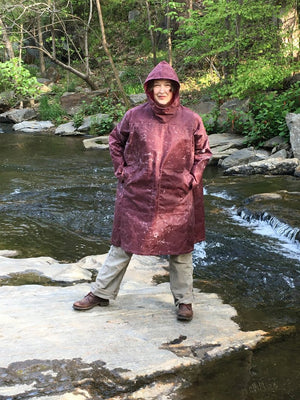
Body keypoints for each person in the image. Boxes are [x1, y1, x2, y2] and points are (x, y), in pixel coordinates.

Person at [73, 61, 212, 321]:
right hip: (137, 192)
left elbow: (203, 153)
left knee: (181, 250)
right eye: (156, 86)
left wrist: (192, 178)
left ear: (175, 89)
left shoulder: (191, 119)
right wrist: (122, 171)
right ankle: (101, 293)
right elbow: (115, 141)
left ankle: (184, 301)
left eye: (166, 86)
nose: (161, 91)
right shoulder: (134, 115)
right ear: (149, 89)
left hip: (177, 194)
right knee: (123, 245)